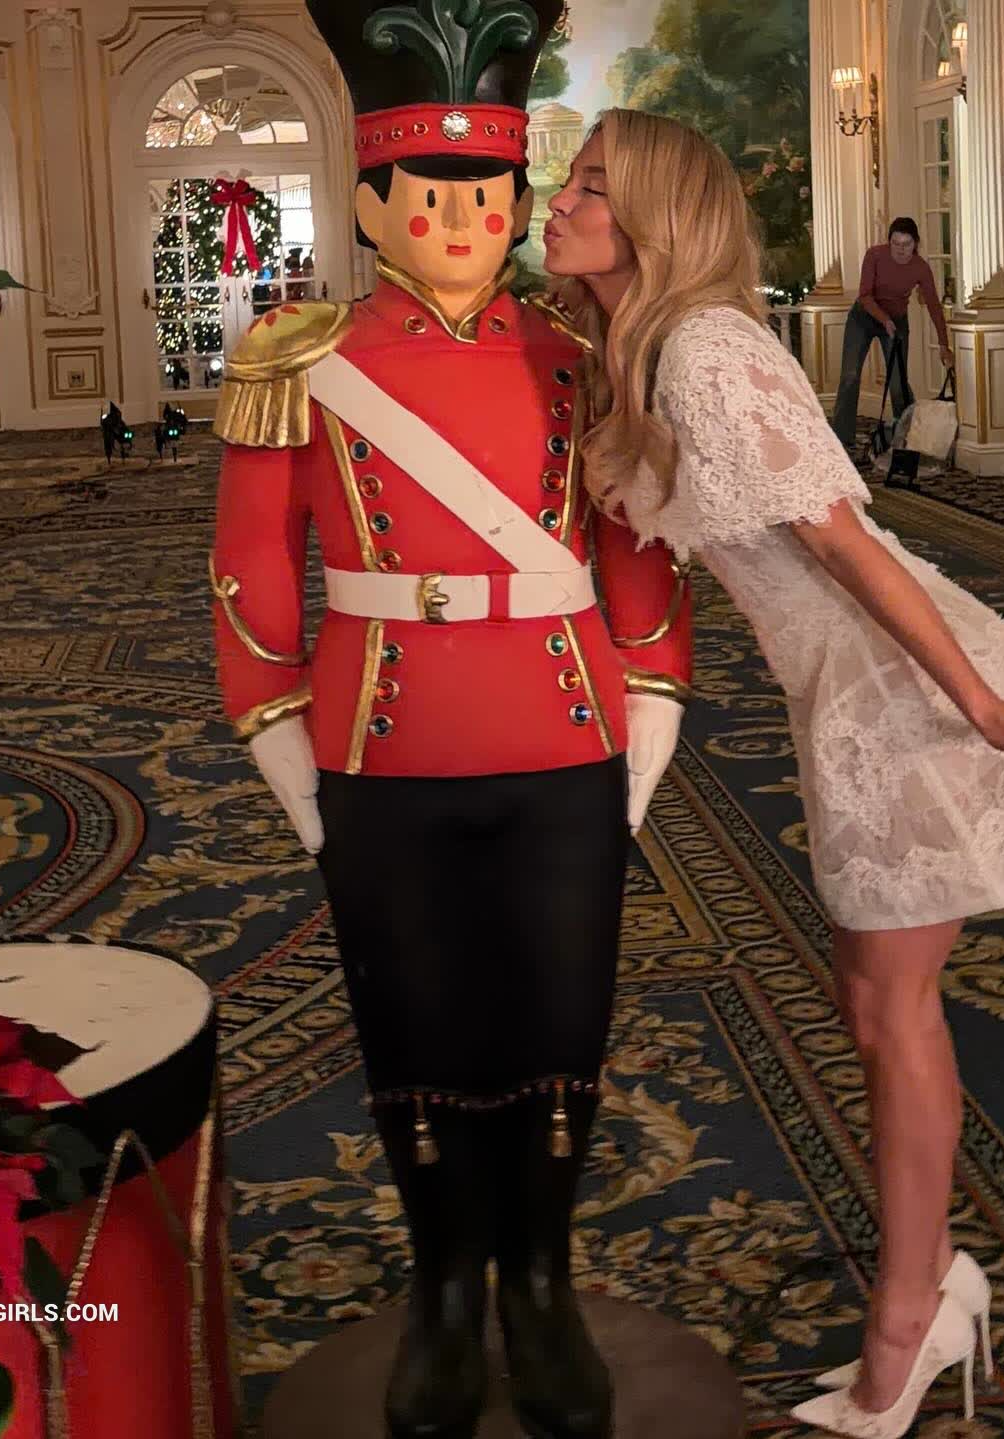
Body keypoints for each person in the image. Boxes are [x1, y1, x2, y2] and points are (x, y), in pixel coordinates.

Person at [542, 108, 1004, 1439]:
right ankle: (933, 1288)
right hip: (841, 689)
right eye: (567, 182)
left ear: (655, 217)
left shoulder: (705, 352)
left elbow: (846, 540)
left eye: (590, 185)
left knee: (889, 1007)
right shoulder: (635, 349)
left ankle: (911, 1316)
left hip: (895, 686)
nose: (558, 201)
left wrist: (982, 705)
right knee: (873, 1002)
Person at [210, 7, 693, 1436]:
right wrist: (279, 738)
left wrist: (651, 708)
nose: (467, 221)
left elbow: (633, 550)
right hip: (378, 744)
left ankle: (538, 1282)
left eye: (490, 195)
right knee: (410, 1025)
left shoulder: (580, 353)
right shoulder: (293, 357)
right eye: (433, 196)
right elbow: (252, 563)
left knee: (561, 1022)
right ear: (372, 204)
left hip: (570, 739)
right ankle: (441, 1287)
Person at [831, 217, 954, 455]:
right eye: (895, 243)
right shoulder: (874, 255)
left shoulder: (920, 267)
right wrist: (883, 319)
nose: (900, 250)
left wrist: (943, 344)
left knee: (898, 382)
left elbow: (933, 305)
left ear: (915, 244)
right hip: (863, 318)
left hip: (896, 322)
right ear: (889, 242)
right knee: (850, 376)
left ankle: (907, 438)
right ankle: (841, 439)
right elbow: (865, 295)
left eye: (906, 244)